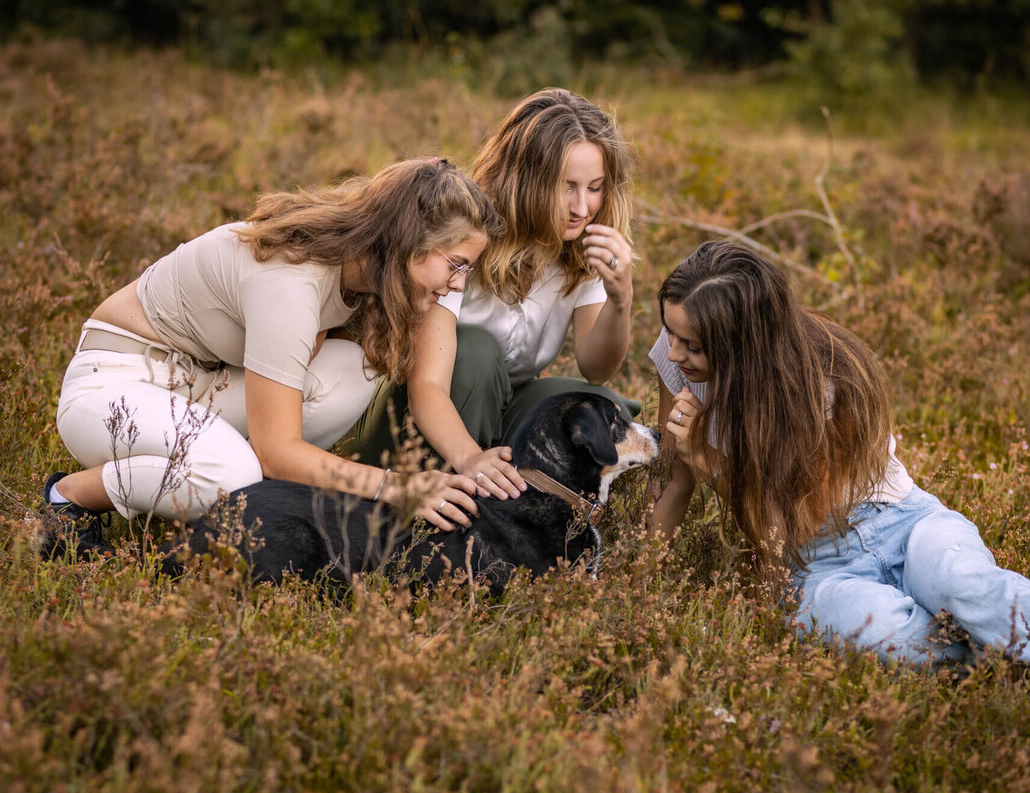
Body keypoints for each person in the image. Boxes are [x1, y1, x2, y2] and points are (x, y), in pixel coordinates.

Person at [647, 240, 1030, 702]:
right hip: (815, 567)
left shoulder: (825, 380)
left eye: (692, 345)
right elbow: (675, 481)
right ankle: (1010, 655)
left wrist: (710, 462)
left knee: (965, 586)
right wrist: (642, 579)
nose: (673, 354)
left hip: (903, 521)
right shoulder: (682, 367)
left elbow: (792, 520)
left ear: (744, 344)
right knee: (886, 636)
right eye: (670, 333)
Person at [39, 158, 504, 556]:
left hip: (199, 385)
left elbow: (425, 382)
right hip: (113, 388)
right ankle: (67, 497)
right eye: (456, 264)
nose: (460, 284)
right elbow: (278, 452)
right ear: (407, 242)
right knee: (236, 475)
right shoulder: (292, 281)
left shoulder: (358, 267)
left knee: (352, 369)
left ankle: (202, 471)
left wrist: (469, 458)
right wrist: (396, 487)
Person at [350, 88, 639, 501]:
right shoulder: (468, 234)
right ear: (527, 180)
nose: (582, 206)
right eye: (567, 187)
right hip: (412, 417)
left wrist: (620, 298)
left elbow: (596, 368)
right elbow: (427, 385)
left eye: (595, 187)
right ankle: (445, 514)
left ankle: (519, 504)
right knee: (476, 352)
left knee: (603, 405)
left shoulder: (585, 248)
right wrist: (471, 458)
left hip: (500, 411)